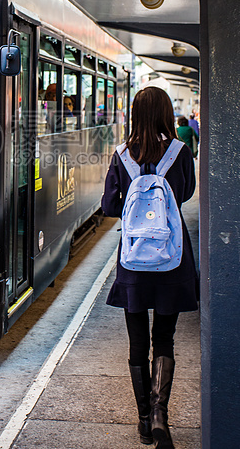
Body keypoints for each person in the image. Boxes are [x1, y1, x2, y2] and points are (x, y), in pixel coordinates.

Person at [101, 86, 198, 449]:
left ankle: (143, 422)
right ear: (166, 113)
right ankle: (160, 415)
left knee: (137, 341)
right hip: (172, 257)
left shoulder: (121, 154)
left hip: (135, 260)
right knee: (165, 339)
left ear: (135, 113)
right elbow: (185, 193)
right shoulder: (180, 151)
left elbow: (110, 206)